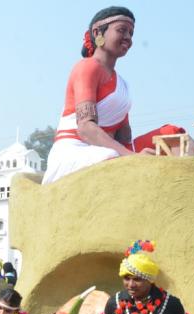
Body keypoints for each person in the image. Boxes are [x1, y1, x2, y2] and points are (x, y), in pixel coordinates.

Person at [42, 6, 154, 185]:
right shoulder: (87, 67)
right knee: (112, 157)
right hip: (75, 151)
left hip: (111, 150)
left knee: (171, 136)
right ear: (97, 32)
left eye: (131, 33)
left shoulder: (123, 84)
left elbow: (124, 139)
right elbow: (85, 129)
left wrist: (139, 152)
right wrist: (132, 157)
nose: (128, 38)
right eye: (121, 30)